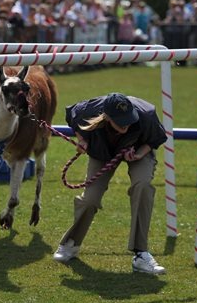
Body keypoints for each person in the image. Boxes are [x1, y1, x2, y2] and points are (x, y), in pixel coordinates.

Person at [53, 93, 168, 275]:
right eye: (120, 121)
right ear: (106, 117)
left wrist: (139, 154)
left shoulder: (146, 114)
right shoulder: (87, 110)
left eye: (128, 120)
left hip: (138, 149)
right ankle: (71, 244)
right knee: (90, 199)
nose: (126, 125)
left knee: (143, 186)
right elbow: (72, 118)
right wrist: (82, 141)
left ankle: (141, 254)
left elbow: (154, 140)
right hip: (101, 151)